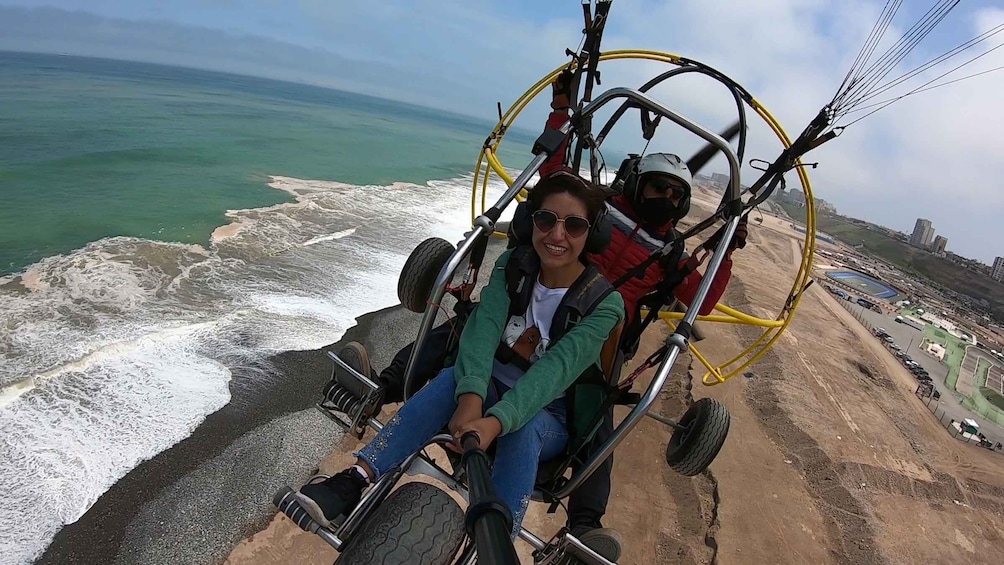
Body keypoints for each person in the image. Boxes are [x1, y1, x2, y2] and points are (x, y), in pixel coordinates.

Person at [320, 72, 748, 561]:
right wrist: (562, 111)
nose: (664, 201)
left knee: (595, 421)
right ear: (635, 183)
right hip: (528, 310)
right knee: (462, 334)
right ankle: (381, 389)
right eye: (657, 188)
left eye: (675, 196)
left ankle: (586, 524)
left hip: (594, 338)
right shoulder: (596, 213)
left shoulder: (672, 253)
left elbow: (704, 299)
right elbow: (555, 182)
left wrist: (726, 252)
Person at [299, 173, 625, 540]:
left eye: (574, 226)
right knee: (454, 376)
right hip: (487, 388)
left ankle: (497, 540)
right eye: (546, 220)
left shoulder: (604, 305)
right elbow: (482, 331)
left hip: (547, 413)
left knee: (524, 426)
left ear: (591, 234)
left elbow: (555, 372)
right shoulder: (514, 266)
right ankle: (354, 480)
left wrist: (495, 422)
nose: (556, 235)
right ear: (531, 222)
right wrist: (471, 399)